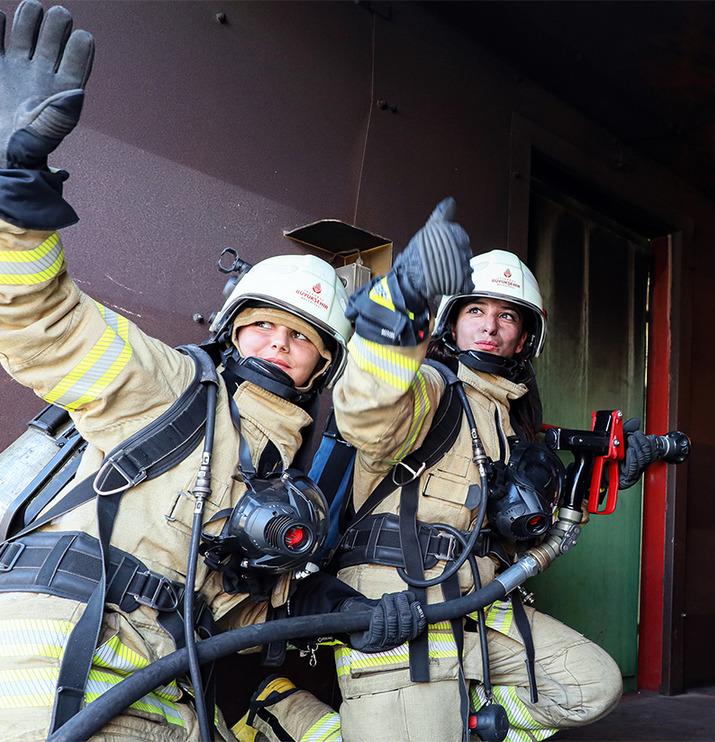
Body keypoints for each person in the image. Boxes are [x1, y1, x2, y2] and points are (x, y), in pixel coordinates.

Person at [0, 3, 422, 740]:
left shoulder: (286, 466)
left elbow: (243, 607)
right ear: (231, 333)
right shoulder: (168, 385)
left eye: (300, 337)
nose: (275, 344)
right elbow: (42, 323)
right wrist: (13, 198)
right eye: (260, 324)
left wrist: (347, 609)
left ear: (323, 365)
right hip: (60, 667)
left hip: (163, 683)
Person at [329, 200, 659, 741]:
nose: (491, 326)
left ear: (524, 338)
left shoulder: (512, 423)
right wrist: (404, 294)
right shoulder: (430, 389)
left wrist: (589, 482)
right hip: (396, 607)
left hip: (480, 607)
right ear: (451, 322)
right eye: (476, 311)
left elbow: (527, 547)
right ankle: (281, 712)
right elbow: (366, 410)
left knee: (593, 685)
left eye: (507, 315)